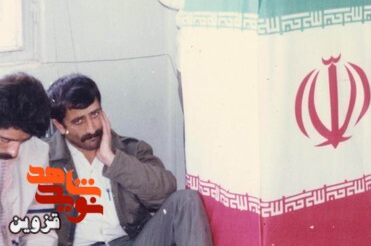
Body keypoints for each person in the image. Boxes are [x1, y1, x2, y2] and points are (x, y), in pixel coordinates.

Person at [46, 74, 212, 245]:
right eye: (79, 121)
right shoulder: (44, 160)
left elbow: (165, 192)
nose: (92, 128)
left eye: (95, 114)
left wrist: (113, 160)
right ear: (60, 126)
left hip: (133, 242)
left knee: (186, 200)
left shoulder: (131, 149)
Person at [0, 73, 57, 246]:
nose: (14, 151)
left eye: (23, 141)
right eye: (5, 140)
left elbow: (41, 227)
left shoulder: (39, 152)